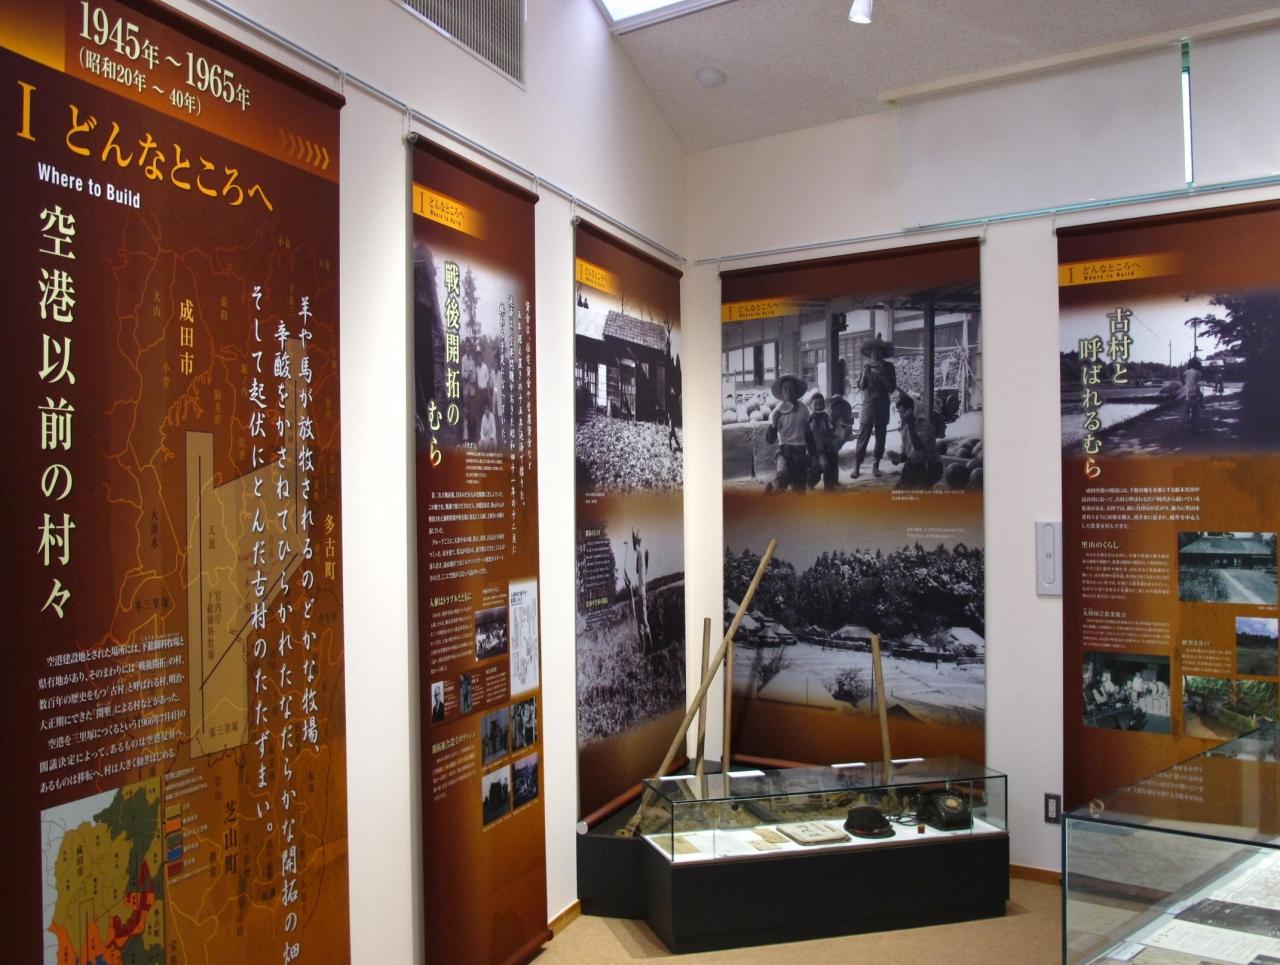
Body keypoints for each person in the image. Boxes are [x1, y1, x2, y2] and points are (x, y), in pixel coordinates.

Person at [851, 335, 897, 479]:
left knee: (880, 438)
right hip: (868, 406)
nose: (875, 353)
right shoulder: (866, 367)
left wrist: (881, 373)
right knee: (862, 437)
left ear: (883, 352)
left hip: (882, 406)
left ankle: (876, 465)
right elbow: (861, 386)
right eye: (873, 351)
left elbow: (891, 388)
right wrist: (865, 374)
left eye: (878, 350)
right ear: (869, 352)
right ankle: (857, 466)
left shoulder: (889, 367)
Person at [764, 373, 813, 492]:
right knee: (782, 475)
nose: (789, 391)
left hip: (801, 452)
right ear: (781, 392)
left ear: (796, 390)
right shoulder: (777, 411)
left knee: (799, 492)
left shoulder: (804, 409)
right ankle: (772, 491)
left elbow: (808, 434)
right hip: (784, 451)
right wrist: (774, 424)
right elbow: (770, 440)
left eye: (791, 388)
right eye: (785, 388)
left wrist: (814, 454)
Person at [886, 392, 943, 490]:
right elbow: (908, 454)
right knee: (899, 491)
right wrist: (898, 458)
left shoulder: (924, 425)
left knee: (916, 490)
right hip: (915, 465)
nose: (901, 416)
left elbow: (919, 449)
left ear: (913, 411)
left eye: (903, 412)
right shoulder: (906, 427)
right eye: (899, 413)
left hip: (930, 466)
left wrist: (911, 426)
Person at [807, 393, 841, 489]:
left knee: (832, 462)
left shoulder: (826, 416)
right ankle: (811, 482)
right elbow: (809, 435)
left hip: (827, 445)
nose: (819, 407)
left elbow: (832, 429)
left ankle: (830, 484)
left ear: (824, 405)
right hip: (816, 448)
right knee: (821, 466)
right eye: (815, 404)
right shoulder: (810, 419)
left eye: (821, 404)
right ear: (810, 406)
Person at [1183, 356, 1203, 424]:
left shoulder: (1186, 372)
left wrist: (1184, 383)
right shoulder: (1198, 372)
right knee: (1200, 395)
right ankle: (1201, 404)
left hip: (1187, 389)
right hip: (1195, 388)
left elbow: (1182, 377)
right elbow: (1199, 379)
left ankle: (1187, 417)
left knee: (1188, 403)